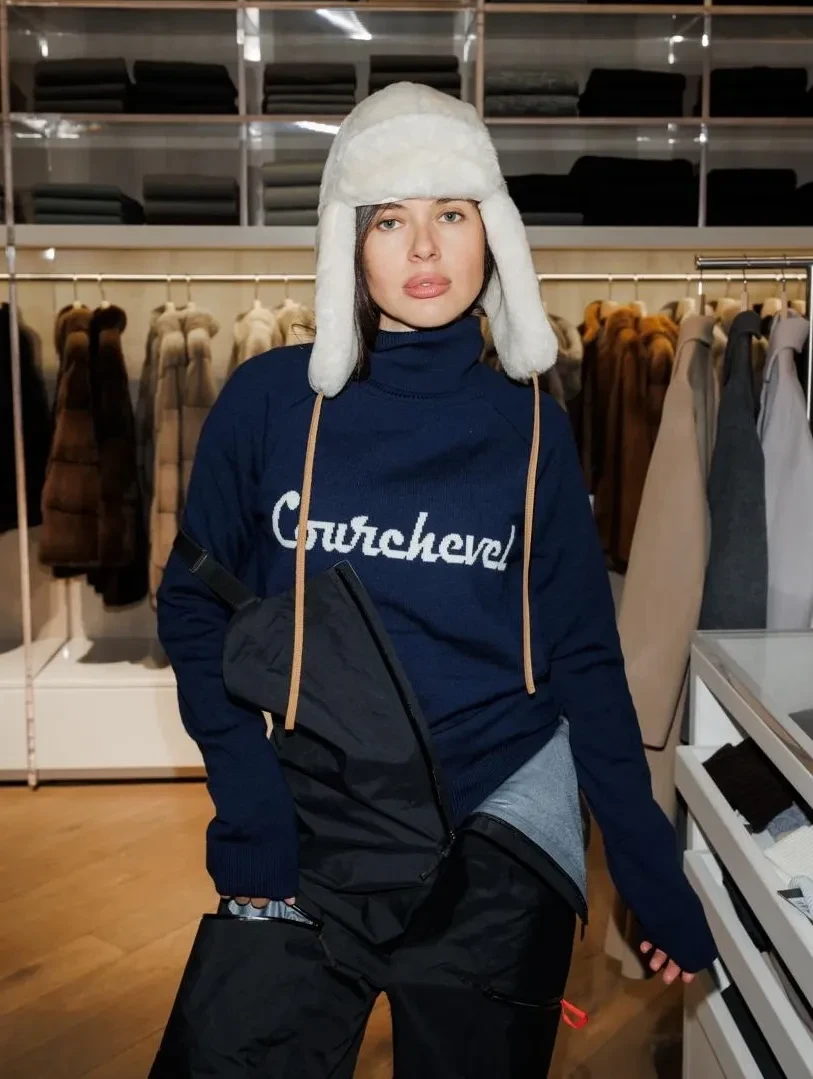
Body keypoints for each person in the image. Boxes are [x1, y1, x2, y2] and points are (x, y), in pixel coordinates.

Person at [152, 83, 716, 1079]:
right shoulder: (269, 403)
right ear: (349, 241)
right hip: (306, 823)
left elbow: (585, 660)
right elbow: (195, 604)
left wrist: (647, 869)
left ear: (492, 231)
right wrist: (251, 811)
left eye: (451, 213)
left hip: (496, 833)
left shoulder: (533, 428)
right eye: (390, 219)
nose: (423, 248)